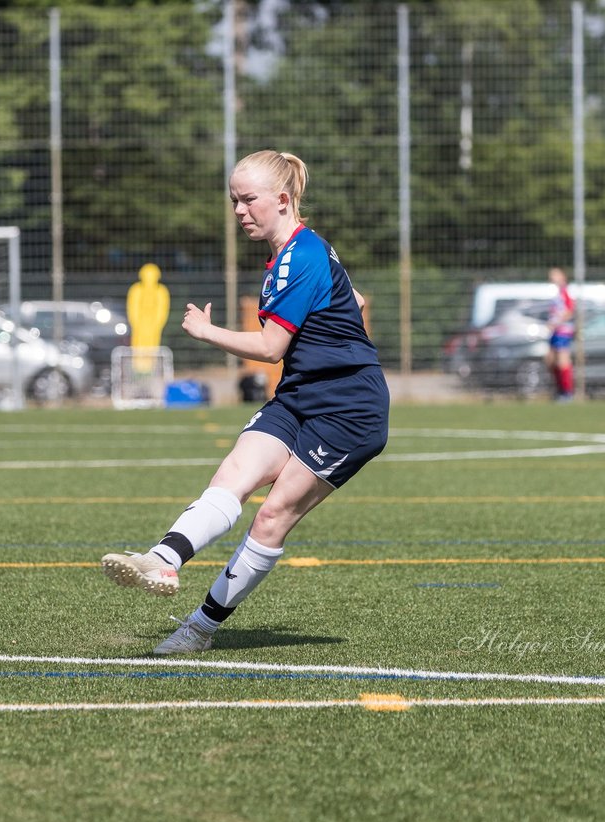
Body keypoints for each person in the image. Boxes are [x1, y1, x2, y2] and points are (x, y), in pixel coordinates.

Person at [100, 150, 389, 655]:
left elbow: (271, 348)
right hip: (300, 394)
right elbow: (357, 300)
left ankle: (198, 629)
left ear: (282, 200)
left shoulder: (299, 257)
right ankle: (162, 558)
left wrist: (208, 333)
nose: (239, 210)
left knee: (272, 516)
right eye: (234, 200)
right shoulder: (298, 252)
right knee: (233, 474)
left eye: (248, 199)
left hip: (348, 411)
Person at [545, 267, 576, 401]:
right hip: (555, 331)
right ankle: (560, 390)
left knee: (562, 361)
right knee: (550, 361)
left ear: (562, 276)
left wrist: (556, 322)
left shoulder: (565, 292)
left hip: (563, 331)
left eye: (555, 275)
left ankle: (567, 393)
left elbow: (570, 311)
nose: (552, 277)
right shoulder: (556, 293)